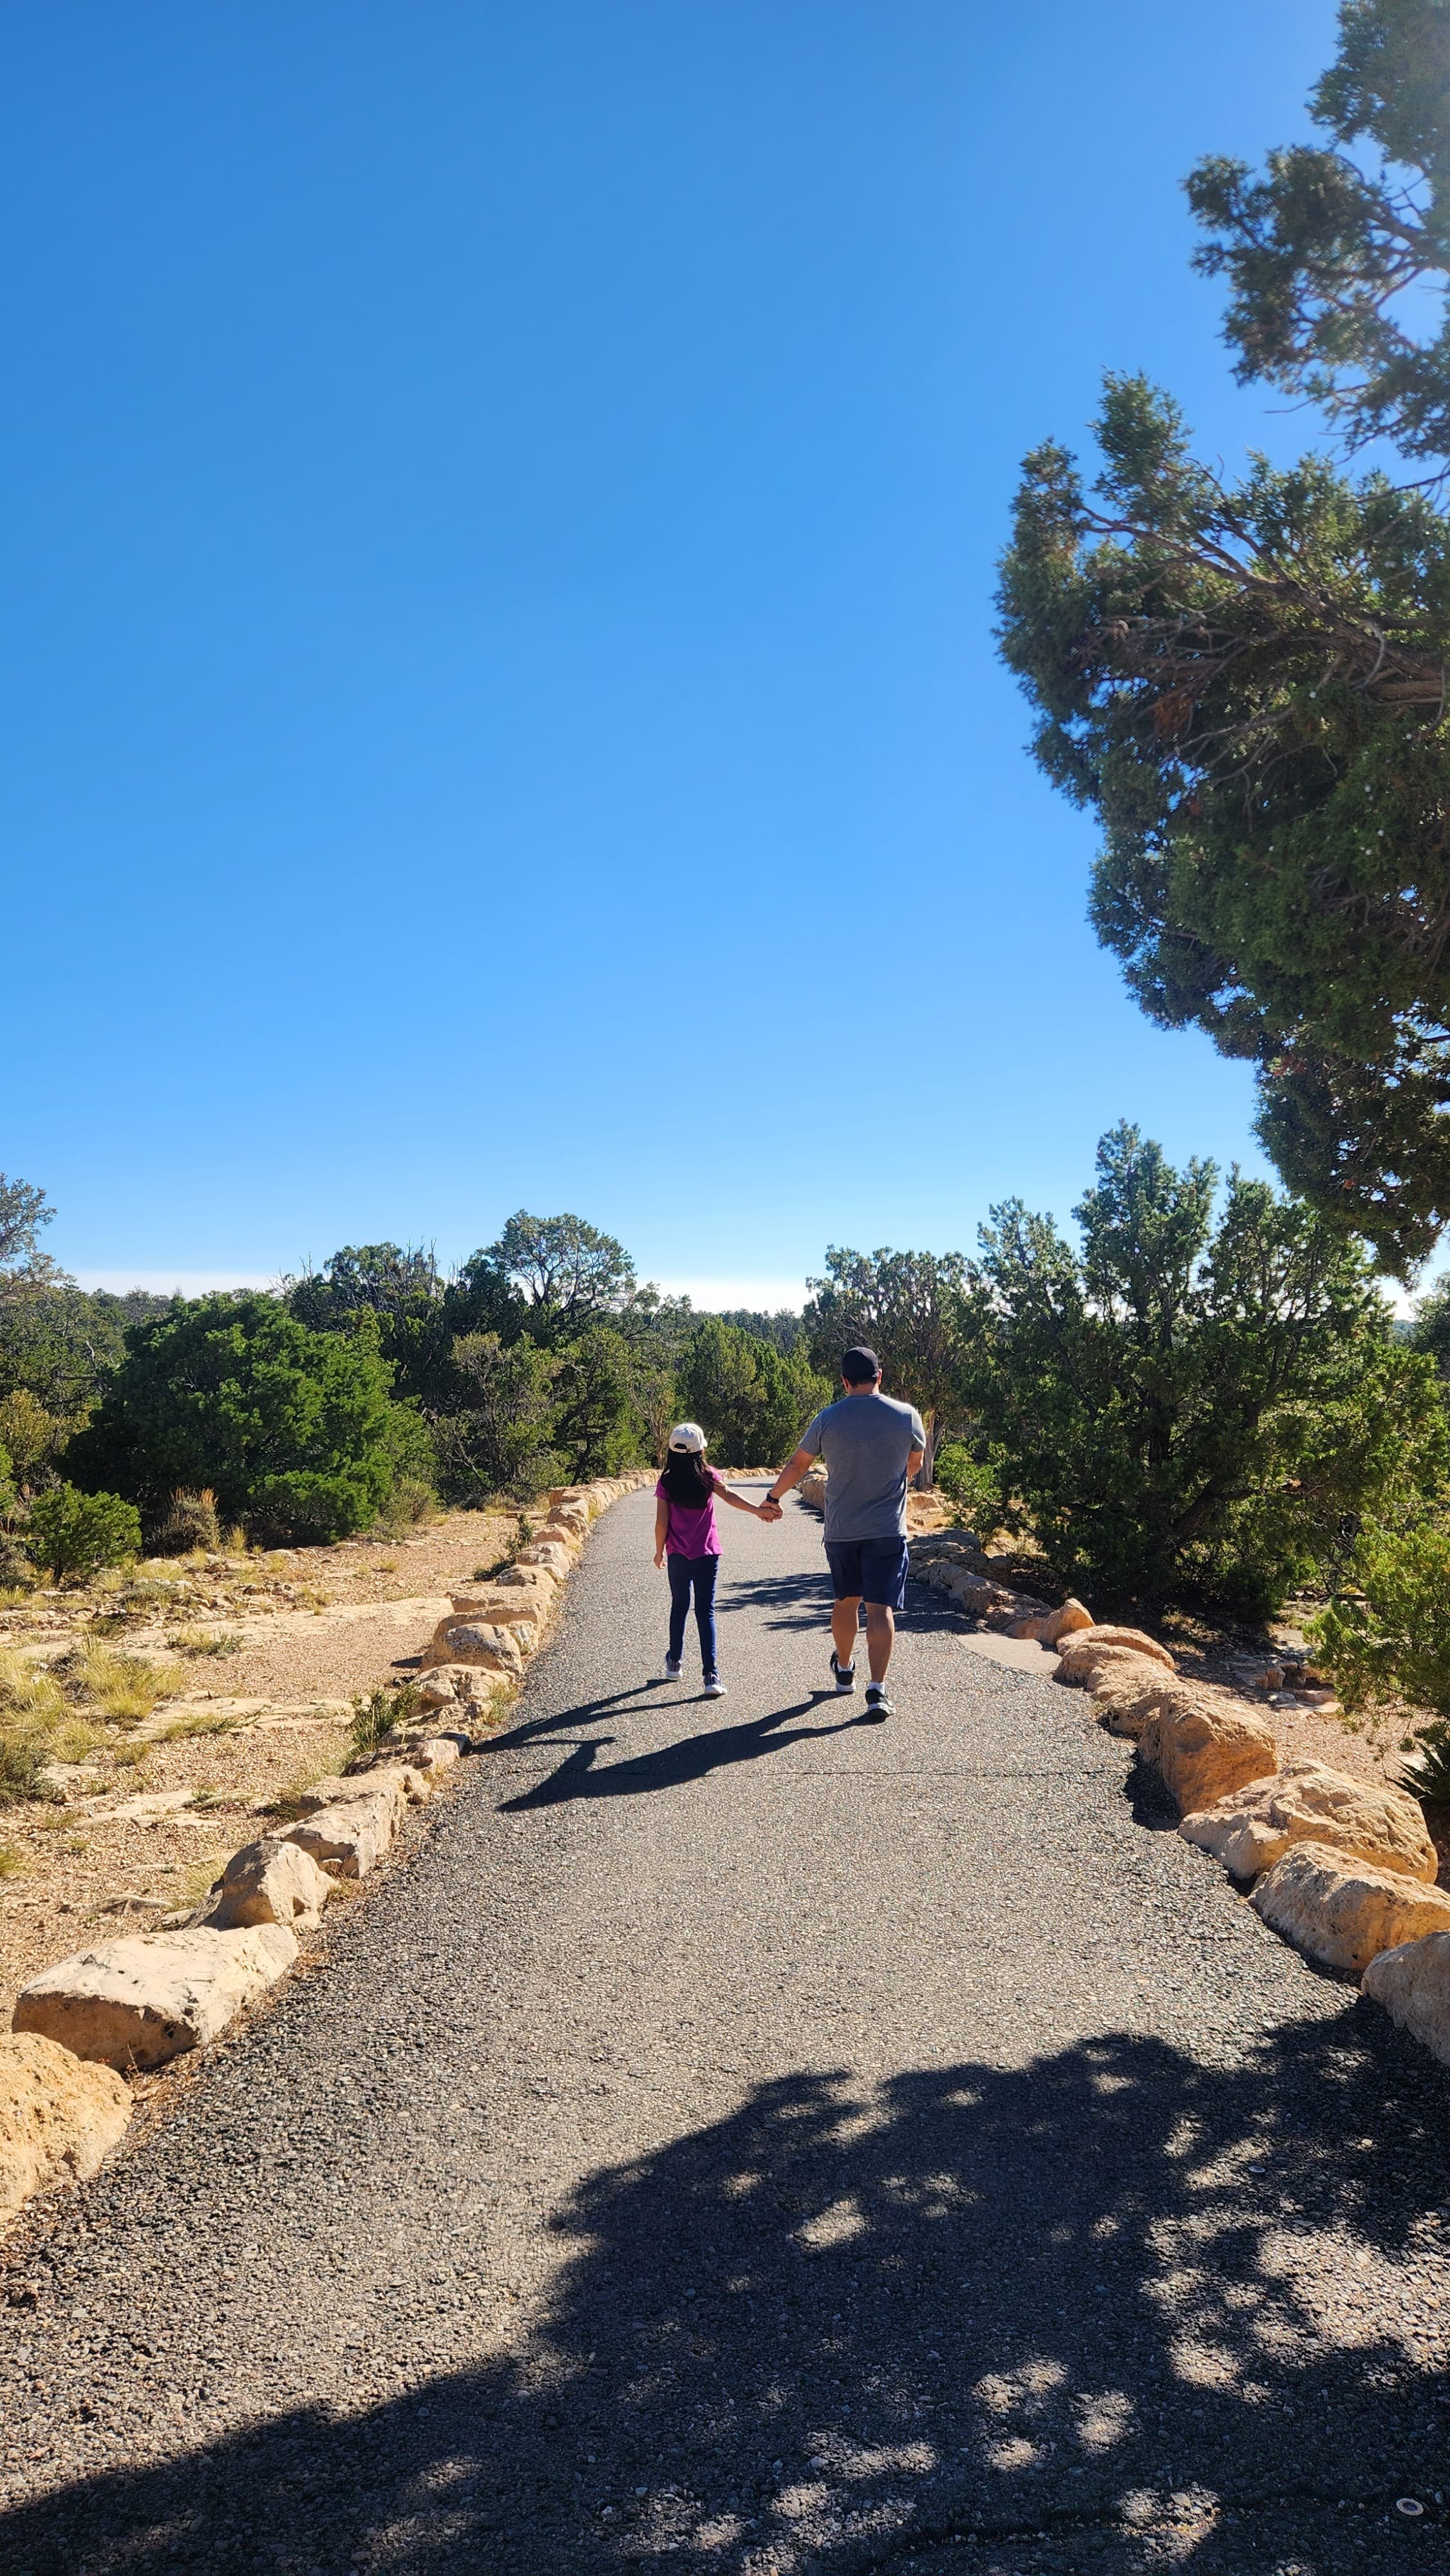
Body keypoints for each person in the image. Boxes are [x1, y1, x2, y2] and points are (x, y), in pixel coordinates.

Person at [760, 1347, 925, 1719]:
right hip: (886, 1529)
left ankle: (845, 1670)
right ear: (879, 1376)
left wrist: (772, 1498)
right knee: (880, 1608)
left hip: (842, 1529)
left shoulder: (827, 1419)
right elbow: (913, 1462)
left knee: (846, 1601)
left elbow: (798, 1465)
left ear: (844, 1381)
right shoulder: (907, 1416)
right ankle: (878, 1689)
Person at [654, 1421, 771, 1698]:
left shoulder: (667, 1482)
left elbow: (662, 1522)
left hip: (678, 1555)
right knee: (705, 1612)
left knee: (680, 1606)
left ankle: (674, 1662)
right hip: (707, 1553)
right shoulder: (708, 1476)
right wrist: (758, 1511)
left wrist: (659, 1551)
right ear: (700, 1451)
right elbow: (730, 1497)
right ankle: (711, 1675)